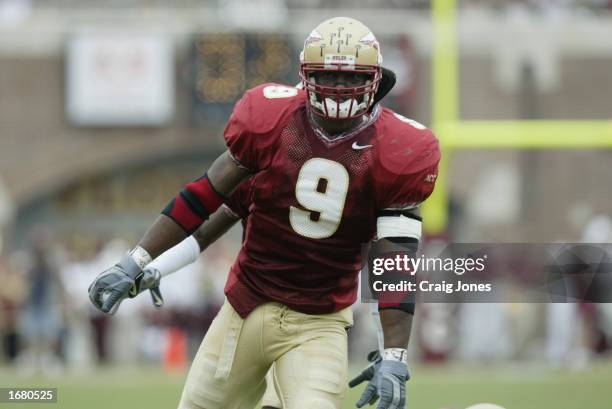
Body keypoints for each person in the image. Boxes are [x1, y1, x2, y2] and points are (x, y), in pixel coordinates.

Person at [89, 16, 440, 409]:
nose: (339, 89)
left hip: (319, 320)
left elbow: (394, 260)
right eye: (328, 76)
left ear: (376, 78)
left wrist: (393, 355)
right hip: (246, 308)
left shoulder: (399, 149)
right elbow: (207, 205)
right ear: (305, 76)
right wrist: (140, 261)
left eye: (351, 77)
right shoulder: (269, 127)